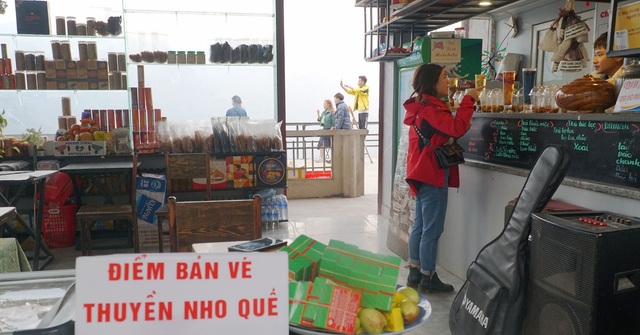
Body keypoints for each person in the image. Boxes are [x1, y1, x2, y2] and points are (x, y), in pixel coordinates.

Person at [403, 63, 478, 293]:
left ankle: (415, 272)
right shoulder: (432, 109)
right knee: (432, 230)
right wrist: (469, 101)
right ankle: (429, 276)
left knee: (421, 226)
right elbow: (455, 128)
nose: (448, 81)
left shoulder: (419, 107)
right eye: (444, 77)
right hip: (433, 173)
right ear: (432, 83)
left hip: (420, 171)